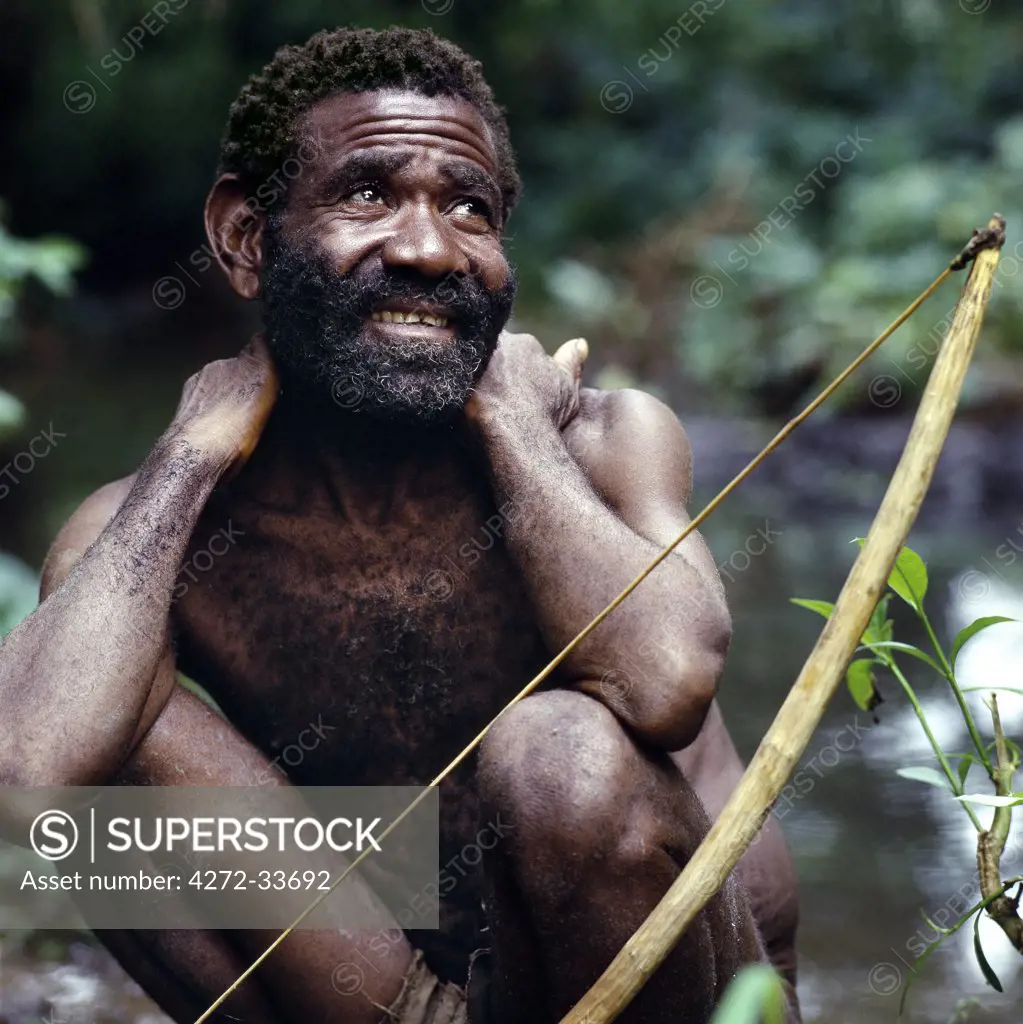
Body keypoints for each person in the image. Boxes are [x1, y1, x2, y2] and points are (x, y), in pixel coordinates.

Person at [0, 26, 799, 1024]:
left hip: (683, 988)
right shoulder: (162, 518)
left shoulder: (600, 441)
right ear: (247, 237)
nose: (429, 249)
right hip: (384, 995)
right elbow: (31, 766)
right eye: (369, 193)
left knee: (561, 757)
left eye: (470, 209)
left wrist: (508, 417)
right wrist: (189, 454)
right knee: (106, 727)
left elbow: (667, 679)